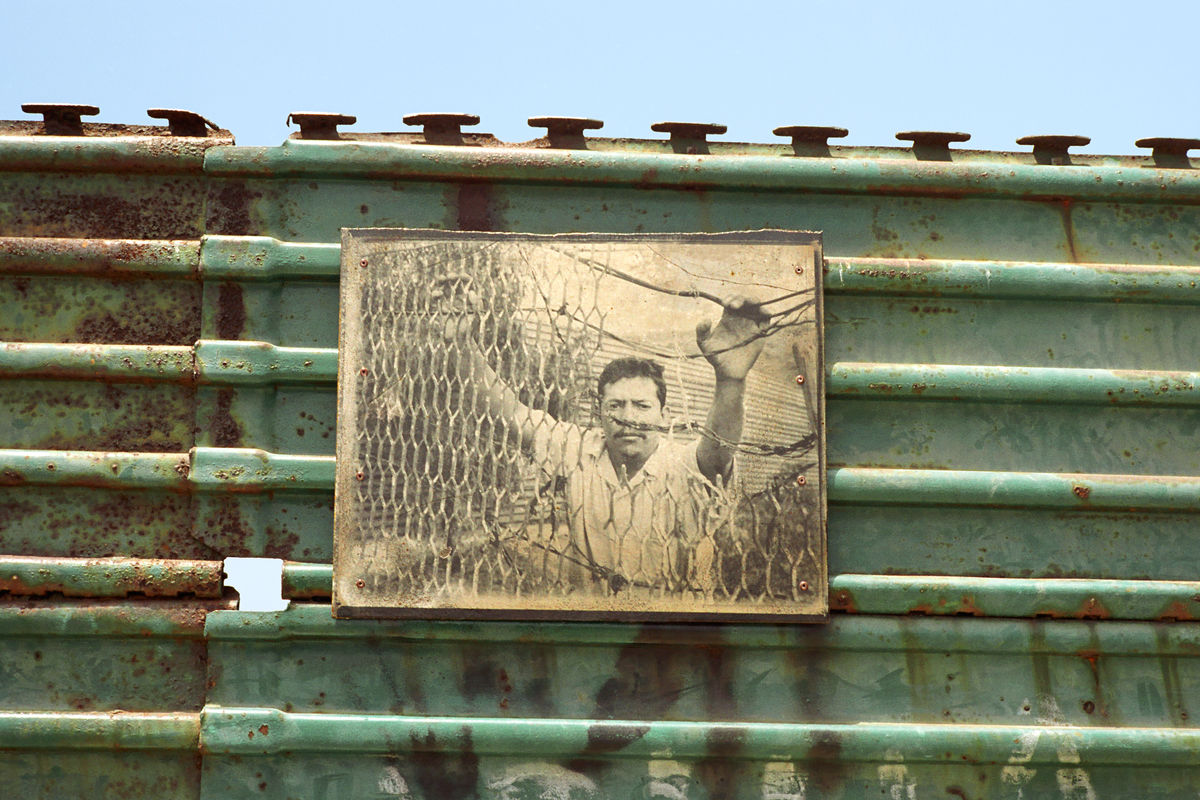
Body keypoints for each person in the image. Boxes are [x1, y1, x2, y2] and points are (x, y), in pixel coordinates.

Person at [442, 281, 769, 596]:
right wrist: (460, 345)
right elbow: (511, 413)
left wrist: (730, 381)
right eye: (616, 405)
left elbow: (717, 453)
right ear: (600, 413)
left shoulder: (681, 465)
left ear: (663, 416)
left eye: (642, 406)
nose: (629, 417)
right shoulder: (580, 451)